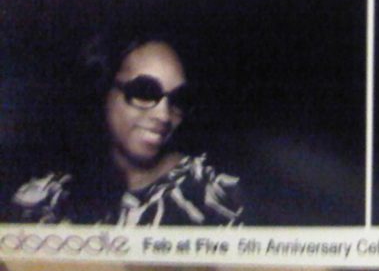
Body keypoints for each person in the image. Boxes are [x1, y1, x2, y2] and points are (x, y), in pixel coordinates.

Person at [8, 33, 244, 226]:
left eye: (178, 99)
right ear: (103, 91)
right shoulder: (43, 199)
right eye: (144, 92)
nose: (163, 116)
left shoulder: (209, 195)